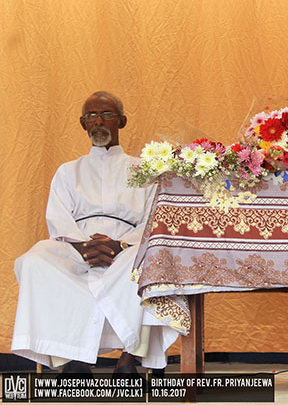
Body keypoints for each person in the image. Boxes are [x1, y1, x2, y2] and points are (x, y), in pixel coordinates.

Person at [11, 91, 178, 374]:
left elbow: (153, 219)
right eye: (91, 116)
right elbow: (58, 219)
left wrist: (120, 245)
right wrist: (83, 248)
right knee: (34, 261)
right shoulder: (68, 171)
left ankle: (129, 358)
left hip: (127, 248)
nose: (98, 121)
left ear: (121, 122)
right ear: (83, 123)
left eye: (107, 115)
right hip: (77, 247)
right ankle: (72, 357)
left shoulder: (143, 169)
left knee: (145, 262)